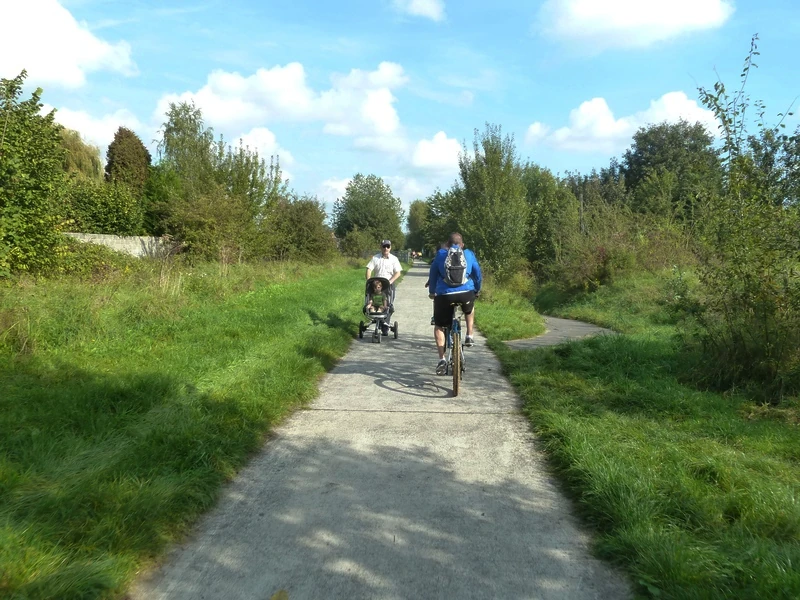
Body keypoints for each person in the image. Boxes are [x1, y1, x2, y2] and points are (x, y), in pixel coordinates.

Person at [428, 232, 482, 375]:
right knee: (469, 310)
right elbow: (477, 274)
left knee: (439, 325)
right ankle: (469, 335)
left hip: (444, 296)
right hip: (466, 294)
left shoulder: (441, 255)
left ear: (448, 244)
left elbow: (433, 275)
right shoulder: (468, 254)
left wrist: (432, 292)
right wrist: (477, 289)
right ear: (462, 244)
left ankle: (442, 359)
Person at [365, 240, 402, 334]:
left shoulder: (394, 259)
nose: (386, 248)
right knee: (374, 301)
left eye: (388, 246)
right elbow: (369, 269)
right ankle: (376, 319)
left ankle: (385, 324)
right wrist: (369, 281)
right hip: (377, 284)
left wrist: (390, 282)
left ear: (390, 248)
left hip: (388, 284)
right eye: (384, 246)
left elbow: (398, 273)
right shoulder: (375, 258)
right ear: (381, 247)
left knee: (388, 304)